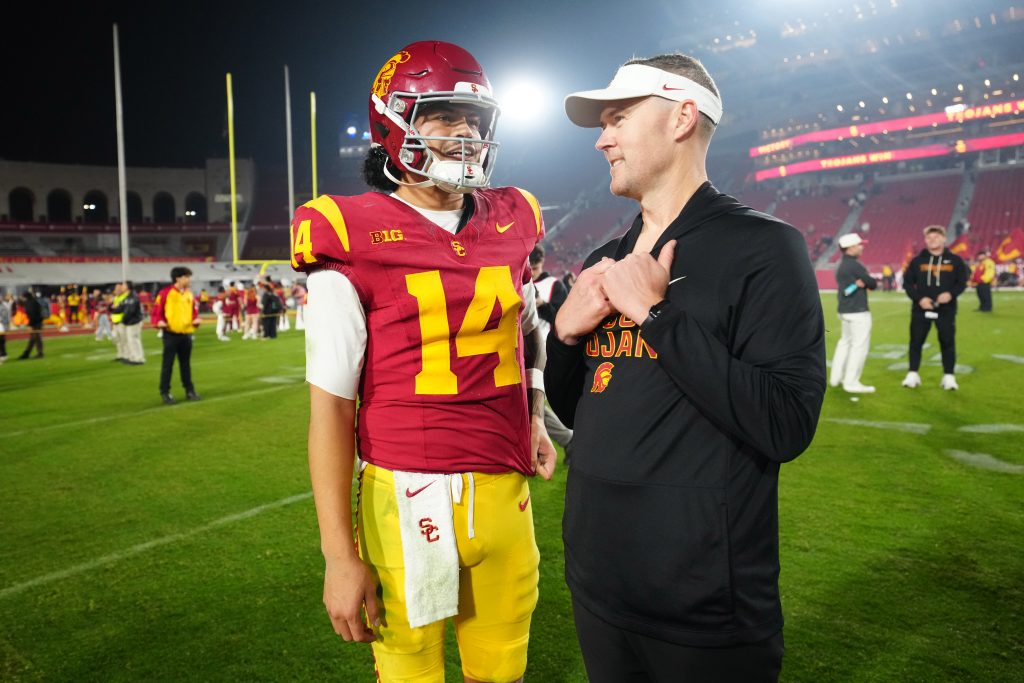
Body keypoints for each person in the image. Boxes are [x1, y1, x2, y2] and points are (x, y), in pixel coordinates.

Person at [546, 53, 825, 682]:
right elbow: (580, 410)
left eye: (618, 118)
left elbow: (786, 422)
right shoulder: (602, 257)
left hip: (703, 609)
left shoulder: (763, 247)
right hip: (599, 587)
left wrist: (656, 316)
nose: (602, 138)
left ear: (682, 117)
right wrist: (564, 335)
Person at [292, 41, 555, 683]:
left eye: (475, 120)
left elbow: (525, 327)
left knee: (503, 672)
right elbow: (330, 406)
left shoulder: (513, 217)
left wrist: (537, 413)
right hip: (406, 494)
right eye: (443, 116)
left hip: (504, 489)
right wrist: (337, 554)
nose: (464, 134)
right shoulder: (346, 231)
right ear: (394, 124)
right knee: (410, 673)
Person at [901, 225, 968, 391]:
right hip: (920, 309)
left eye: (936, 237)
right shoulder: (917, 261)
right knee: (916, 342)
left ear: (944, 239)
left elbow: (962, 283)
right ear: (925, 240)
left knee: (947, 342)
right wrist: (919, 298)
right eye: (929, 238)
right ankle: (912, 373)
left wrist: (950, 295)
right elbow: (907, 283)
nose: (933, 240)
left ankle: (949, 376)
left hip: (946, 310)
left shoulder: (955, 260)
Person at [529, 244, 574, 449]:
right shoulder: (515, 279)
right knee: (528, 399)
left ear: (541, 262)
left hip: (544, 348)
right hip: (519, 346)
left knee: (530, 399)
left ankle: (568, 439)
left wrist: (542, 305)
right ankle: (568, 439)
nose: (531, 271)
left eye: (535, 267)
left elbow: (563, 319)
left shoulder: (554, 285)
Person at [830, 232, 877, 393]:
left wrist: (859, 284)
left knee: (844, 343)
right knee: (859, 347)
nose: (861, 247)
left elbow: (849, 288)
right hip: (858, 311)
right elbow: (872, 283)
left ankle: (835, 378)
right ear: (850, 248)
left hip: (844, 310)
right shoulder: (855, 265)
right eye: (858, 244)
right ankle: (851, 382)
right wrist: (863, 283)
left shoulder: (840, 264)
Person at [152, 266, 201, 404]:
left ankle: (190, 391)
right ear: (178, 278)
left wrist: (195, 320)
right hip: (170, 334)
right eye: (186, 277)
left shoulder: (189, 294)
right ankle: (165, 392)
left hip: (186, 335)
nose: (189, 280)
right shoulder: (165, 293)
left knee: (186, 365)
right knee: (167, 365)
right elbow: (157, 312)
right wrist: (159, 322)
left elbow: (193, 312)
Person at [111, 282, 146, 365]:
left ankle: (138, 358)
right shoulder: (128, 297)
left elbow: (130, 310)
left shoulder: (132, 297)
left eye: (124, 285)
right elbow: (121, 307)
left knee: (133, 340)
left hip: (133, 321)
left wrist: (123, 320)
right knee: (131, 340)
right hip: (129, 322)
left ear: (128, 287)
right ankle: (133, 357)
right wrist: (112, 308)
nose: (122, 287)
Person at [18, 290, 45, 359]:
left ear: (25, 297)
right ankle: (35, 353)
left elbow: (32, 315)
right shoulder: (34, 302)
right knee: (35, 339)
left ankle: (27, 354)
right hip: (38, 322)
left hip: (35, 323)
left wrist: (30, 325)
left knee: (34, 338)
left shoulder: (30, 303)